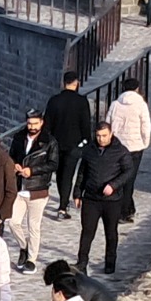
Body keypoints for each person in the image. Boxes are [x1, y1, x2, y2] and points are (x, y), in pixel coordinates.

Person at [74, 122, 134, 276]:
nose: (101, 139)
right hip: (91, 199)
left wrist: (113, 185)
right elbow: (82, 172)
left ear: (111, 134)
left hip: (112, 200)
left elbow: (128, 172)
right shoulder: (89, 151)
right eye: (98, 135)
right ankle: (82, 262)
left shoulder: (121, 151)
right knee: (87, 231)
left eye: (104, 136)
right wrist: (77, 193)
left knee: (111, 232)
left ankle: (110, 262)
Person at [7, 109, 57, 274]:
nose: (32, 127)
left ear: (41, 123)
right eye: (29, 123)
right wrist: (14, 165)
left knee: (33, 226)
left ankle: (31, 259)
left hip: (38, 189)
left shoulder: (49, 141)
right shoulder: (19, 137)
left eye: (35, 123)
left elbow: (53, 164)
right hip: (20, 188)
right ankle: (23, 246)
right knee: (13, 222)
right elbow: (12, 156)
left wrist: (32, 170)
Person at [44, 71, 92, 220]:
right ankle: (63, 207)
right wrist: (86, 142)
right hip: (74, 145)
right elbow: (85, 124)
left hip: (57, 144)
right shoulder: (82, 101)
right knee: (68, 174)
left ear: (63, 83)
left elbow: (47, 124)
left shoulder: (54, 101)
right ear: (76, 82)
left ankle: (63, 202)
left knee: (59, 175)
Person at [104, 78, 151, 223]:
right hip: (135, 146)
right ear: (137, 89)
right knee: (129, 178)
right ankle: (124, 211)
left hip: (118, 146)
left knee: (119, 176)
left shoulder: (115, 104)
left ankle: (126, 208)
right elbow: (146, 125)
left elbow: (108, 123)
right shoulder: (141, 105)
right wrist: (145, 142)